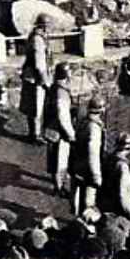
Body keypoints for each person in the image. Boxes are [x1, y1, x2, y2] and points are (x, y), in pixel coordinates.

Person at [72, 96, 106, 216]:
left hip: (77, 163)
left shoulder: (82, 121)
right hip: (88, 169)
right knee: (89, 201)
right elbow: (93, 153)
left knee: (76, 196)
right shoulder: (94, 128)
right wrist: (96, 175)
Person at [21, 14, 53, 144]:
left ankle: (35, 133)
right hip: (35, 78)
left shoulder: (38, 36)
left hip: (32, 75)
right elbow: (39, 64)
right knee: (36, 107)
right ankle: (35, 135)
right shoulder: (38, 40)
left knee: (34, 106)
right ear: (44, 26)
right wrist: (45, 81)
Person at [47, 62, 75, 198]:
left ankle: (57, 183)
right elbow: (62, 115)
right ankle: (59, 187)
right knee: (60, 160)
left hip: (51, 128)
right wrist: (71, 134)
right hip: (59, 131)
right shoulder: (61, 92)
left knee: (55, 158)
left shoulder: (55, 87)